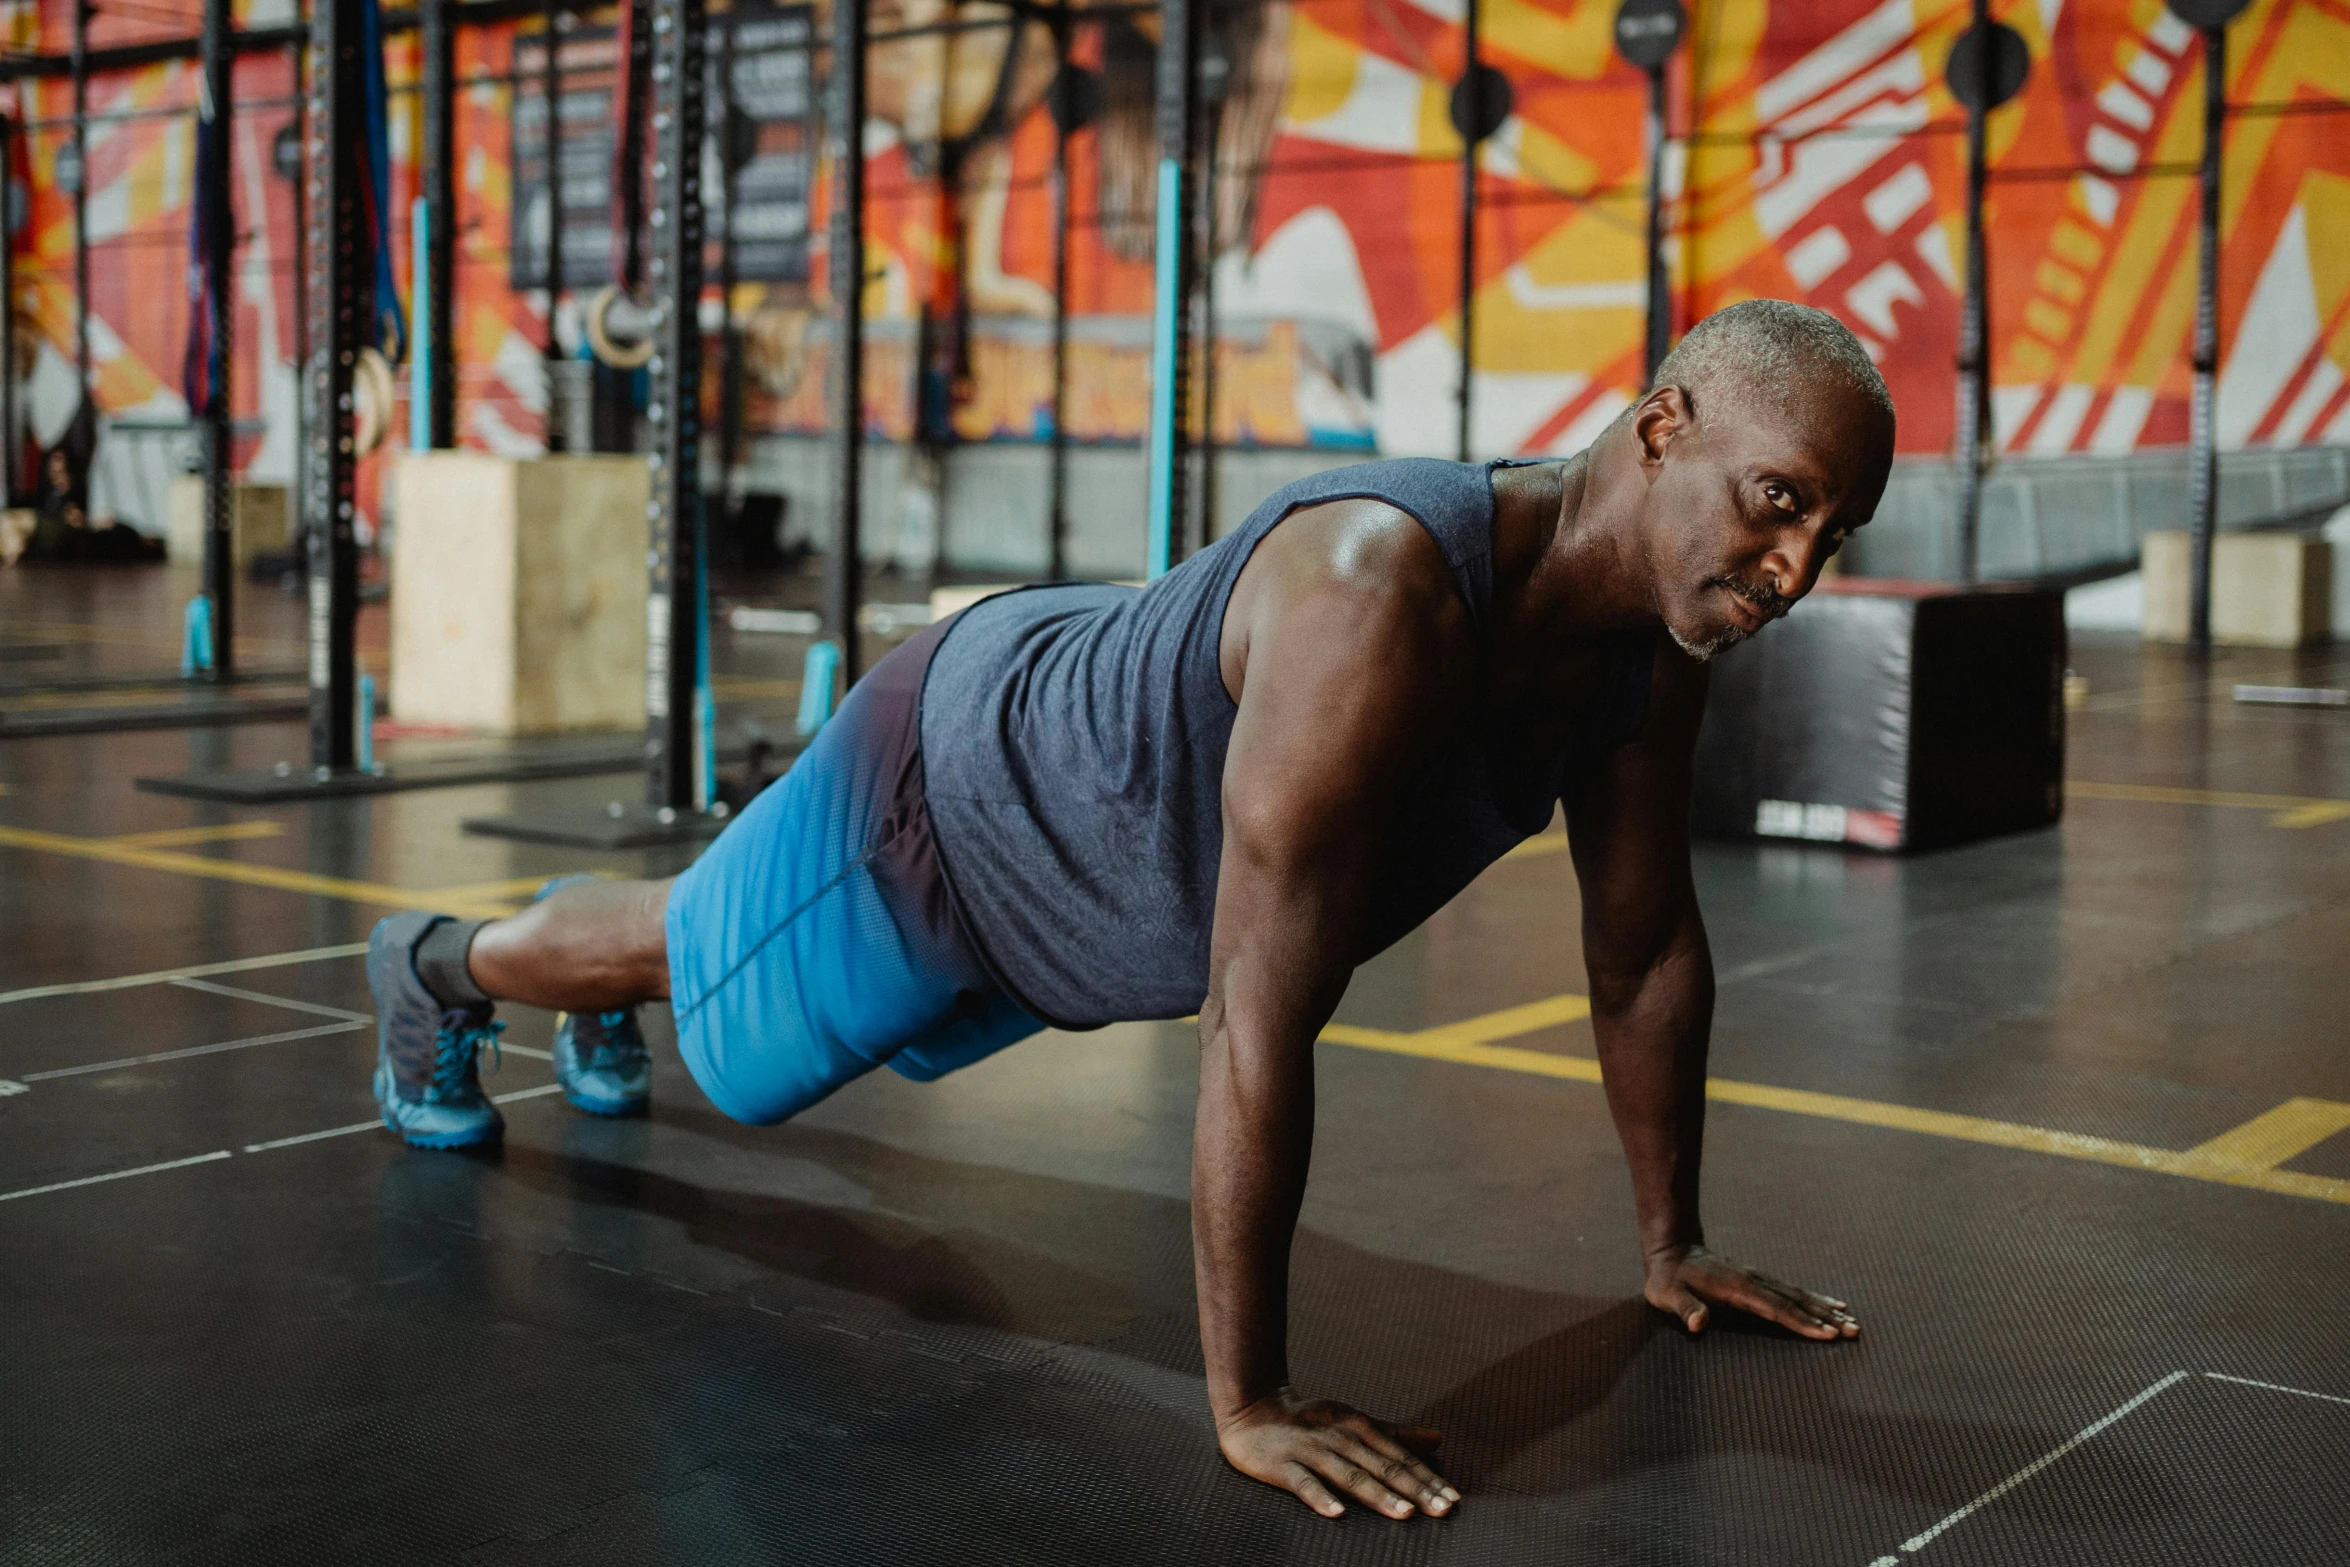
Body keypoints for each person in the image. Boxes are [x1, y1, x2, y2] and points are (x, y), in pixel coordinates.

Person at [369, 298, 1895, 1522]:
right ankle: (439, 968)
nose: (1793, 568)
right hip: (957, 800)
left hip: (1079, 878)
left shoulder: (1645, 660)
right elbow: (1255, 1009)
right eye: (1777, 504)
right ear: (1657, 426)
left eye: (1829, 535)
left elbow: (1638, 956)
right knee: (706, 976)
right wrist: (1247, 1398)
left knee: (716, 966)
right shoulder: (1380, 600)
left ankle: (623, 969)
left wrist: (1672, 1241)